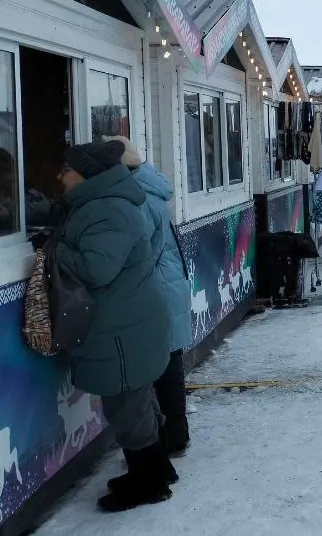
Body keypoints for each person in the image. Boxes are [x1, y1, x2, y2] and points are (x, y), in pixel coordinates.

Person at [42, 141, 176, 512]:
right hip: (129, 323)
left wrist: (55, 250)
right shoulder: (102, 204)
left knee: (127, 407)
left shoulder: (106, 210)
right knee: (138, 400)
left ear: (86, 175)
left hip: (123, 330)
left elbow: (97, 269)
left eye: (66, 169)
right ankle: (156, 470)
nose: (60, 176)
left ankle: (147, 483)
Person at [105, 136, 191, 457]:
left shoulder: (138, 199)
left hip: (158, 289)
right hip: (167, 286)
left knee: (164, 366)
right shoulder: (148, 188)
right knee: (168, 363)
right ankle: (175, 433)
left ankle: (172, 435)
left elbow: (140, 253)